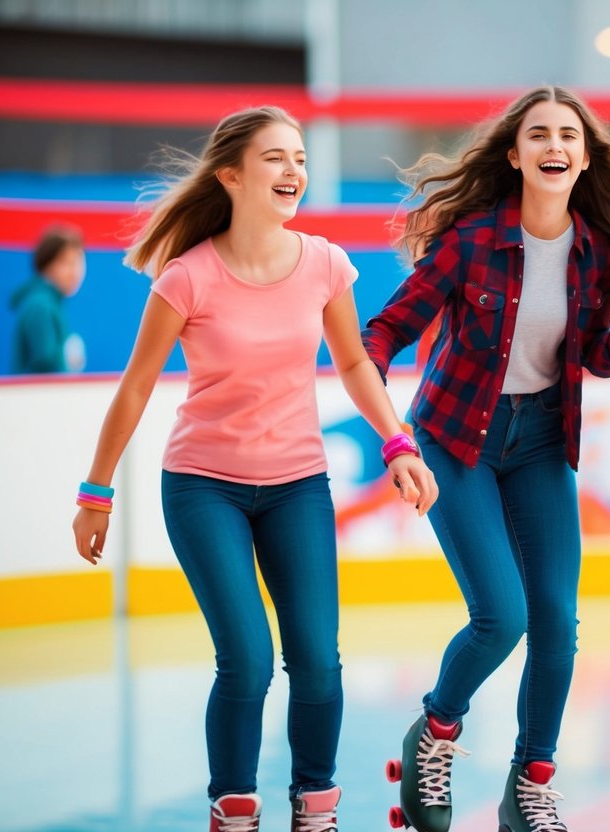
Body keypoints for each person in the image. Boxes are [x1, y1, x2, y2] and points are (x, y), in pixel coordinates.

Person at [70, 106, 437, 832]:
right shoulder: (187, 278)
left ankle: (316, 808)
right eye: (275, 157)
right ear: (231, 175)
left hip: (297, 485)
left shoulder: (326, 263)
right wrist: (96, 492)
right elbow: (136, 387)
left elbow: (357, 362)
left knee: (319, 663)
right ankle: (233, 807)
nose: (293, 170)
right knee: (246, 659)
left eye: (298, 156)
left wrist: (398, 444)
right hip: (205, 487)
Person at [361, 85, 610, 832]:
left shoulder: (594, 251)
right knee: (500, 616)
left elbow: (590, 354)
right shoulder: (470, 241)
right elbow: (384, 330)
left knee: (557, 626)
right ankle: (434, 733)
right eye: (538, 135)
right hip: (455, 439)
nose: (553, 145)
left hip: (538, 444)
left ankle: (528, 787)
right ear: (515, 154)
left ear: (585, 156)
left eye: (568, 135)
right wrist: (388, 426)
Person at [10, 224, 87, 373]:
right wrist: (67, 357)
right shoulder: (40, 305)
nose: (74, 271)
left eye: (78, 261)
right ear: (46, 265)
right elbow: (46, 363)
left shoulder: (48, 303)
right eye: (65, 262)